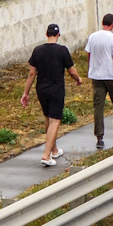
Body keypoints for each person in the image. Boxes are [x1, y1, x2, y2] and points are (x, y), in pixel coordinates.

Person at [21, 23, 81, 167]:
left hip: (41, 89)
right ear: (58, 35)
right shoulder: (62, 50)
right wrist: (78, 79)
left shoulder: (38, 50)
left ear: (46, 34)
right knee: (55, 120)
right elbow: (71, 71)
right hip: (56, 89)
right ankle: (46, 155)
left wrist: (25, 93)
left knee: (48, 117)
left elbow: (32, 73)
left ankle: (54, 150)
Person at [84, 13, 113, 149]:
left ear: (102, 23)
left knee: (99, 106)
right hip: (110, 76)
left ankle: (99, 137)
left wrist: (91, 68)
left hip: (96, 76)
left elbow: (89, 55)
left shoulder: (93, 37)